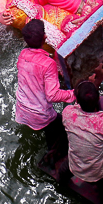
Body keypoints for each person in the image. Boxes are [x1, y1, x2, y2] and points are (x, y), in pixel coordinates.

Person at [14, 20, 74, 158]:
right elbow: (52, 96)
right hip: (40, 114)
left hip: (22, 108)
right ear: (45, 38)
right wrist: (73, 93)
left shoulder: (22, 55)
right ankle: (52, 156)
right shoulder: (48, 64)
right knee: (63, 127)